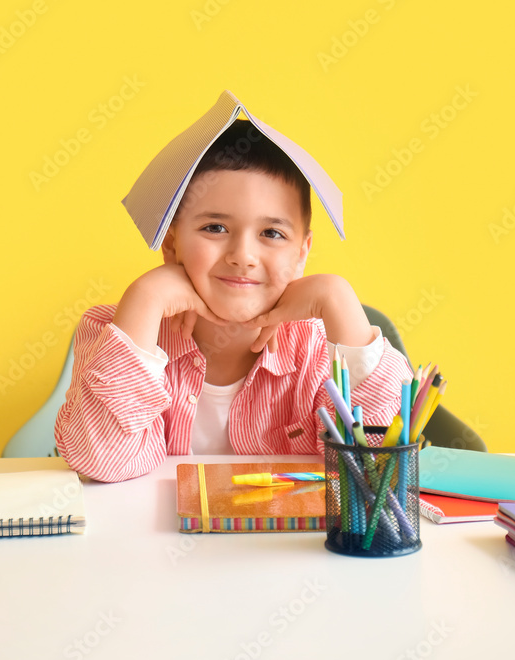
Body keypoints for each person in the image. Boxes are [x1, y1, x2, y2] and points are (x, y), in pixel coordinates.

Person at [55, 119, 412, 482]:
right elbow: (104, 463)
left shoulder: (318, 351)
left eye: (271, 233)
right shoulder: (117, 333)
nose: (243, 256)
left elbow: (377, 474)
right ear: (172, 243)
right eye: (215, 228)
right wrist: (145, 299)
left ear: (302, 253)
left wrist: (338, 298)